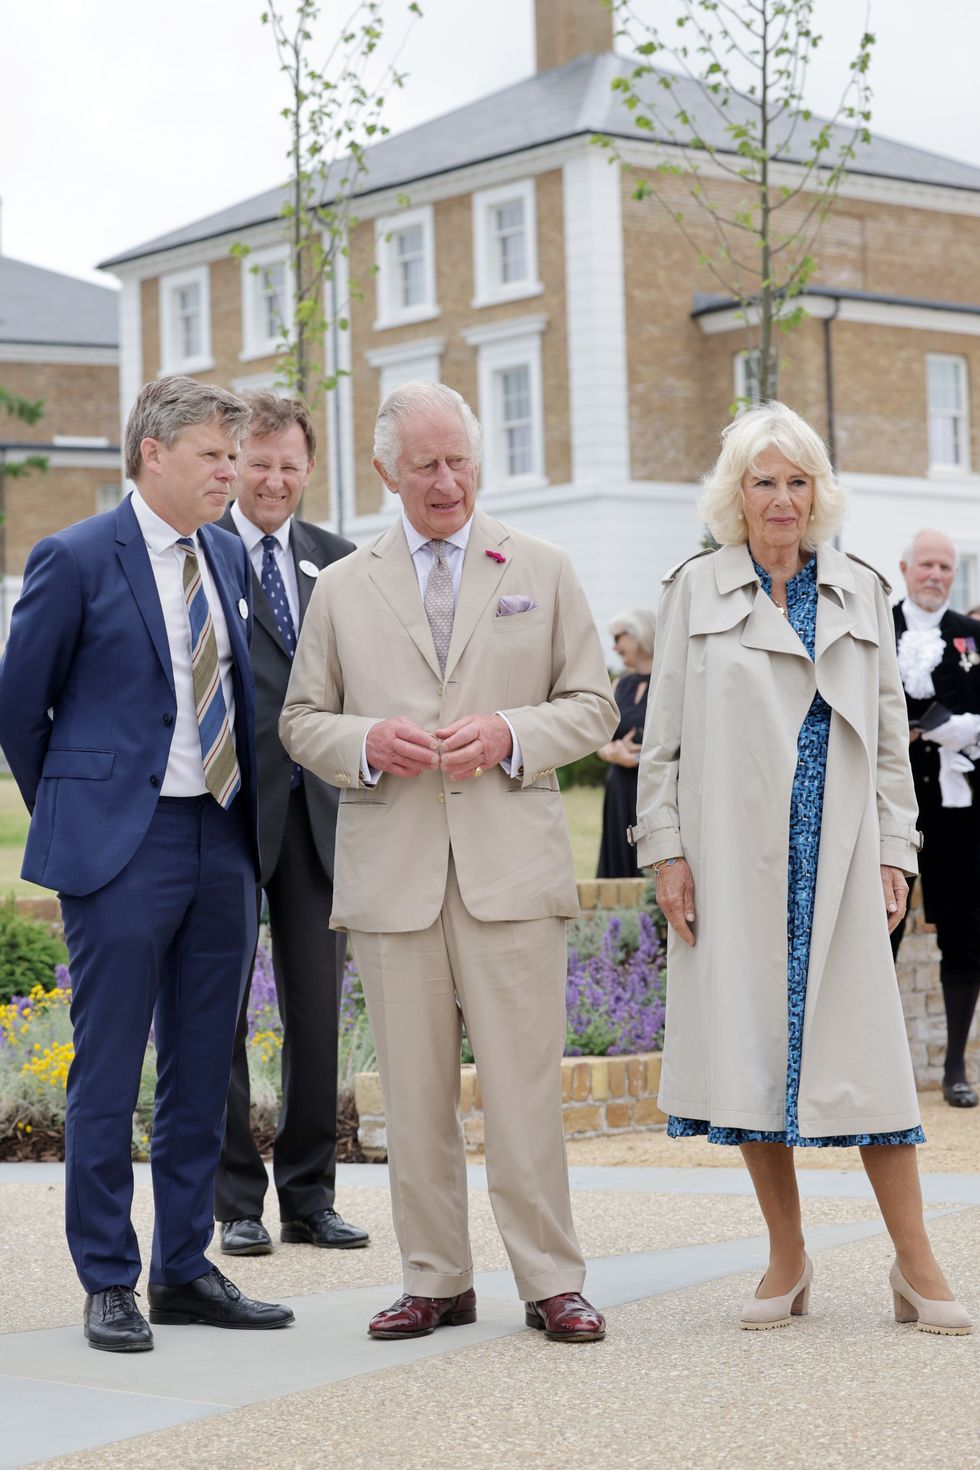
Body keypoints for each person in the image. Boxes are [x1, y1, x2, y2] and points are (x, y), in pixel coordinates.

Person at [280, 381, 618, 1343]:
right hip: (393, 879)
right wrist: (364, 743)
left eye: (459, 459)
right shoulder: (342, 585)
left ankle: (552, 1279)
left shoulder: (542, 567)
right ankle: (435, 1278)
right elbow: (302, 720)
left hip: (511, 872)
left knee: (523, 1095)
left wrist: (511, 731)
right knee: (416, 1101)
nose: (446, 480)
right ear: (386, 471)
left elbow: (593, 704)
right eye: (424, 464)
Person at [633, 402, 971, 1336]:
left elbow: (896, 751)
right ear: (733, 495)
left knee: (872, 1068)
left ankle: (915, 1260)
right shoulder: (693, 588)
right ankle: (787, 1256)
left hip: (845, 857)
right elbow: (659, 746)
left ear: (818, 491)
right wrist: (664, 851)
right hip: (734, 865)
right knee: (749, 1061)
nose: (781, 499)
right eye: (762, 481)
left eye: (796, 480)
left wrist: (899, 854)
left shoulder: (862, 590)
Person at [0, 376, 294, 1352]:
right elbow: (20, 710)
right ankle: (108, 1279)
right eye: (214, 456)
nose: (232, 473)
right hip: (122, 849)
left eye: (233, 455)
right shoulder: (75, 557)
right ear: (151, 454)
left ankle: (183, 1268)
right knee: (108, 1068)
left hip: (221, 838)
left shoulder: (224, 556)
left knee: (203, 1069)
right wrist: (82, 820)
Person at [214, 391, 368, 1253]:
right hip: (227, 821)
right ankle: (235, 1203)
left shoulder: (340, 564)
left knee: (316, 1019)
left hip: (320, 822)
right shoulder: (202, 557)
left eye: (289, 465)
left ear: (310, 469)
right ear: (233, 465)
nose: (274, 481)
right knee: (220, 1020)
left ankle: (309, 1197)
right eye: (258, 463)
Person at [892, 529, 980, 1108]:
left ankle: (954, 1068)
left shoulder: (971, 636)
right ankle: (873, 1066)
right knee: (881, 929)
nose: (936, 575)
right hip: (891, 807)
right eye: (926, 564)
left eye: (945, 567)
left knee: (965, 933)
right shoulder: (878, 628)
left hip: (957, 813)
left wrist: (947, 725)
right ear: (905, 568)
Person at [596, 608, 656, 878]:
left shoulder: (672, 683)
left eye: (619, 637)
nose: (615, 646)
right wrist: (614, 755)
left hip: (654, 787)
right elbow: (597, 736)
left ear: (639, 634)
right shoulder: (619, 685)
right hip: (620, 786)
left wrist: (639, 758)